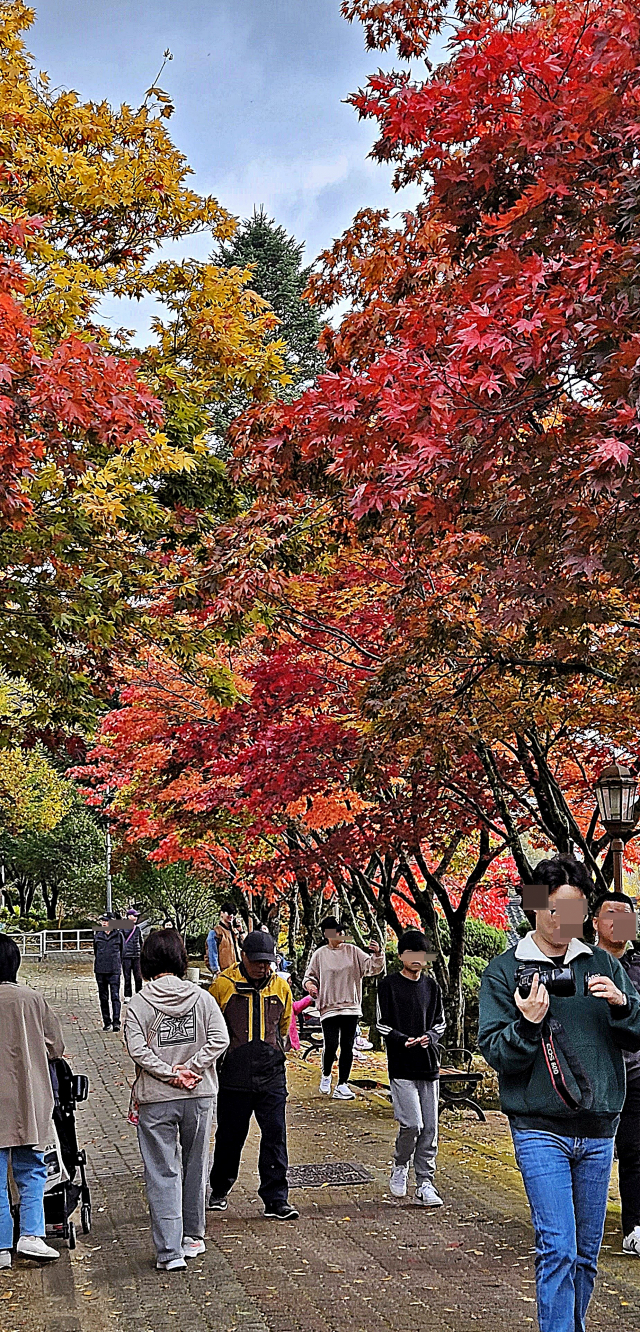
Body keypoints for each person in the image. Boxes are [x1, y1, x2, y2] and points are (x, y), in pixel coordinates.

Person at [478, 854, 640, 1332]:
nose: (562, 921)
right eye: (552, 909)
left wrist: (622, 1003)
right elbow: (497, 1053)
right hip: (538, 1127)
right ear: (532, 906)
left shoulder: (603, 962)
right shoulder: (505, 972)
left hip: (598, 1127)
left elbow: (637, 1029)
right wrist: (526, 1024)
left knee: (587, 1256)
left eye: (573, 910)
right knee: (558, 1249)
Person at [123, 928, 229, 1271]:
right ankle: (194, 1236)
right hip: (198, 1093)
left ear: (146, 962)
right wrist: (191, 1068)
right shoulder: (202, 998)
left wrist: (170, 1073)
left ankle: (169, 1252)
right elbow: (220, 1039)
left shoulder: (137, 1004)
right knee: (196, 1165)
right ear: (181, 959)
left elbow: (137, 1051)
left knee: (161, 1172)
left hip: (156, 1098)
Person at [208, 930, 298, 1220]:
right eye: (257, 961)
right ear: (243, 956)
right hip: (234, 1075)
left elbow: (284, 1026)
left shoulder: (280, 986)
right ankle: (219, 1188)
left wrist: (276, 1052)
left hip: (271, 1074)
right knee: (230, 1136)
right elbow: (210, 1026)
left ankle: (276, 1199)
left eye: (267, 962)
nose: (263, 967)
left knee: (275, 1135)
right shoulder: (223, 985)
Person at [0, 934, 65, 1267]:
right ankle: (31, 1235)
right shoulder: (33, 1000)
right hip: (28, 1098)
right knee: (31, 1170)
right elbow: (56, 1047)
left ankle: (0, 1247)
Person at [377, 930, 445, 1207]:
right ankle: (400, 1164)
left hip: (428, 1065)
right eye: (411, 953)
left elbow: (441, 1022)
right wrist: (402, 1039)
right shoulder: (388, 985)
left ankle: (425, 1183)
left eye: (421, 954)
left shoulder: (432, 987)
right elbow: (380, 1023)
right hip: (402, 1065)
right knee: (412, 1124)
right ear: (401, 955)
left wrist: (429, 1037)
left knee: (430, 1128)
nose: (416, 959)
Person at [592, 890, 640, 1257]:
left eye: (627, 915)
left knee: (636, 1149)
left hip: (635, 1072)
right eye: (612, 913)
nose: (619, 921)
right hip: (588, 1077)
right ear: (594, 921)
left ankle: (634, 1227)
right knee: (591, 1150)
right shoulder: (578, 964)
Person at [303, 915, 385, 1098]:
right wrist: (311, 987)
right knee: (331, 1044)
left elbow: (372, 967)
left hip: (351, 1006)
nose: (340, 934)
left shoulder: (353, 951)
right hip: (329, 1006)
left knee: (347, 1045)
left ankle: (342, 1084)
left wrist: (378, 954)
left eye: (341, 931)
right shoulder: (320, 954)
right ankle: (326, 1075)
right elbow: (309, 977)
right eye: (335, 931)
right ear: (326, 934)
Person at [93, 912, 124, 1032]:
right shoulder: (97, 935)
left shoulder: (118, 935)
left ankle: (116, 1021)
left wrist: (117, 964)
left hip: (114, 969)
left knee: (115, 996)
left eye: (106, 921)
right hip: (100, 970)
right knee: (103, 997)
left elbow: (123, 951)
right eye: (103, 921)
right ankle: (107, 1022)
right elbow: (96, 951)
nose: (104, 923)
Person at [211, 903, 242, 973]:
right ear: (221, 913)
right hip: (224, 972)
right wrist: (216, 971)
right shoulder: (215, 932)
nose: (231, 916)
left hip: (238, 971)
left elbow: (245, 946)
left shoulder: (234, 932)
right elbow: (211, 953)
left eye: (234, 914)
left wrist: (241, 931)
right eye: (229, 913)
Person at [122, 909, 143, 1002]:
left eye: (136, 916)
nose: (135, 918)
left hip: (137, 956)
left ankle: (139, 993)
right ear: (128, 916)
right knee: (127, 976)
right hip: (126, 956)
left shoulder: (137, 929)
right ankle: (127, 995)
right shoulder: (122, 928)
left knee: (138, 976)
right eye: (134, 915)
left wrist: (142, 952)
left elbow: (140, 942)